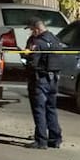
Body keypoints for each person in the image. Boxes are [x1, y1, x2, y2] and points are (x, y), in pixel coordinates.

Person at [23, 16, 63, 149]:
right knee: (51, 109)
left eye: (31, 30)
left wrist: (25, 57)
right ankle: (55, 138)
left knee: (39, 110)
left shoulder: (37, 42)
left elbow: (32, 63)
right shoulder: (55, 39)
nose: (30, 33)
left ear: (36, 29)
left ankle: (41, 141)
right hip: (54, 79)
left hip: (40, 79)